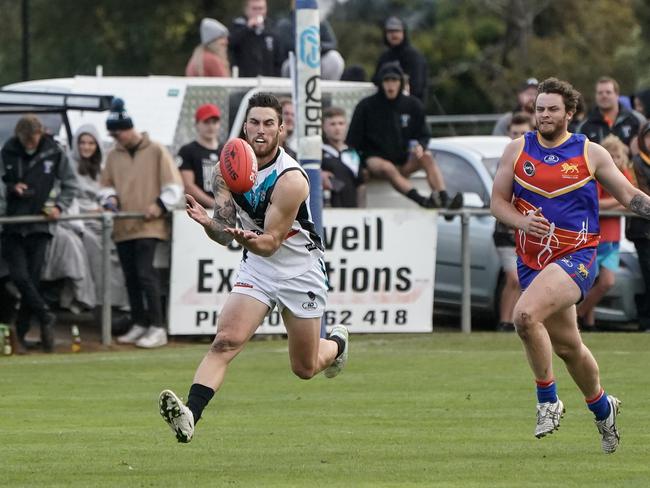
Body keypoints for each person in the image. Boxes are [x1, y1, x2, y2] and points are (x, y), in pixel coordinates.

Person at [158, 92, 349, 443]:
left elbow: (270, 242)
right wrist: (207, 223)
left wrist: (241, 237)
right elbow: (225, 235)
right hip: (258, 269)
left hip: (298, 270)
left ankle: (336, 343)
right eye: (255, 123)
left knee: (304, 368)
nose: (260, 130)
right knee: (225, 342)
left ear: (282, 129)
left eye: (268, 124)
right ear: (245, 126)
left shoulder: (291, 179)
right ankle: (190, 416)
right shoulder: (225, 169)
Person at [491, 77, 650, 453]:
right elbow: (498, 202)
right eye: (540, 109)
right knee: (568, 348)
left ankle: (548, 400)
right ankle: (602, 406)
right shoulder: (517, 150)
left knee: (525, 316)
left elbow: (628, 195)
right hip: (533, 259)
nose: (544, 115)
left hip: (576, 256)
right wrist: (521, 221)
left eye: (552, 110)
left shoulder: (589, 152)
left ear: (570, 113)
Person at [99, 98, 183, 349]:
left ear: (128, 128)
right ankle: (139, 322)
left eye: (118, 132)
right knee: (131, 277)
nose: (116, 138)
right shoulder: (113, 155)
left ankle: (157, 326)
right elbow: (105, 187)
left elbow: (173, 186)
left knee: (146, 274)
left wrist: (158, 204)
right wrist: (110, 198)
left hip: (150, 225)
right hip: (124, 226)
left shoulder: (157, 150)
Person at [0, 114, 78, 353]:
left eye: (33, 139)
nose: (30, 144)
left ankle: (21, 334)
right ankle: (45, 315)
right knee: (20, 277)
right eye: (26, 140)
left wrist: (59, 207)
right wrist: (13, 188)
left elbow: (70, 183)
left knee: (32, 280)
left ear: (41, 133)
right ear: (19, 137)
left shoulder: (54, 152)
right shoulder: (8, 151)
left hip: (39, 225)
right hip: (12, 225)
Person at [346, 62, 462, 210]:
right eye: (387, 80)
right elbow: (353, 140)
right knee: (387, 167)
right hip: (375, 162)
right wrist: (360, 166)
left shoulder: (412, 105)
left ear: (401, 82)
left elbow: (424, 134)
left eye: (394, 80)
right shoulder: (366, 106)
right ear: (380, 83)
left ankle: (444, 198)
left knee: (427, 156)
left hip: (403, 161)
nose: (390, 85)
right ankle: (422, 200)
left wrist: (420, 146)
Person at [67, 124, 128, 312]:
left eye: (91, 143)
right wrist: (91, 210)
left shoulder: (100, 168)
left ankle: (118, 300)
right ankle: (97, 300)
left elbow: (106, 191)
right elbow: (70, 197)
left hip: (102, 220)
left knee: (116, 250)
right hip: (77, 222)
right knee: (95, 247)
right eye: (83, 142)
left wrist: (109, 201)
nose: (86, 147)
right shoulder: (68, 166)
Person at [576, 135, 634, 331]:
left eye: (618, 156)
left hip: (613, 239)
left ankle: (579, 314)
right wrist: (620, 201)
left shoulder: (624, 174)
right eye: (612, 155)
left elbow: (630, 201)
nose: (616, 160)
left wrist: (622, 201)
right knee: (590, 282)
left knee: (607, 281)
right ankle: (588, 322)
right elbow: (596, 205)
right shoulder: (598, 175)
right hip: (596, 237)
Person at [493, 112, 534, 332]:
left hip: (530, 234)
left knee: (523, 280)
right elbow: (498, 199)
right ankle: (504, 321)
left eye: (523, 132)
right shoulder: (506, 160)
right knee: (514, 278)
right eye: (514, 133)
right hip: (506, 231)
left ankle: (514, 321)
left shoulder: (538, 161)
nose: (518, 137)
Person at [626, 122, 650, 331]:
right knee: (647, 274)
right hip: (643, 230)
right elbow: (637, 191)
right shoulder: (636, 163)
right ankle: (645, 319)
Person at [577, 76, 644, 150]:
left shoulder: (637, 119)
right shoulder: (584, 126)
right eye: (600, 93)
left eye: (608, 92)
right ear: (595, 96)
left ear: (617, 95)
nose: (604, 96)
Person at [372, 16, 428, 103]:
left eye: (397, 31)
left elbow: (418, 86)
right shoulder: (384, 57)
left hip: (410, 104)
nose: (393, 34)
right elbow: (376, 80)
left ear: (403, 33)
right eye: (390, 31)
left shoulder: (414, 56)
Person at [177, 104, 223, 209]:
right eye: (206, 122)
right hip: (196, 212)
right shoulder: (187, 151)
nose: (211, 126)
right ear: (197, 124)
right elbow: (188, 186)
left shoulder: (226, 151)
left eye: (214, 122)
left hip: (223, 213)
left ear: (219, 124)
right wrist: (214, 204)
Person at [276, 12, 345, 81]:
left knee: (334, 58)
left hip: (317, 60)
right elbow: (286, 45)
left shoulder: (320, 21)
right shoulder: (285, 24)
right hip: (295, 61)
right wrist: (306, 47)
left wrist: (319, 46)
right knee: (289, 64)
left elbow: (332, 43)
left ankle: (327, 90)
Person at [321, 106, 365, 208]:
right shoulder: (318, 152)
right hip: (327, 211)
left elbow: (360, 184)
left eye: (341, 123)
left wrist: (362, 210)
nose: (337, 128)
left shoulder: (352, 152)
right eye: (332, 124)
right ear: (324, 127)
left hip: (351, 210)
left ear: (346, 126)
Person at [228, 0, 282, 77]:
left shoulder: (272, 28)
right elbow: (230, 43)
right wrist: (247, 28)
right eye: (254, 9)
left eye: (261, 9)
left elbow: (278, 58)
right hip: (245, 79)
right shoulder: (238, 25)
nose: (258, 12)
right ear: (246, 10)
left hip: (268, 79)